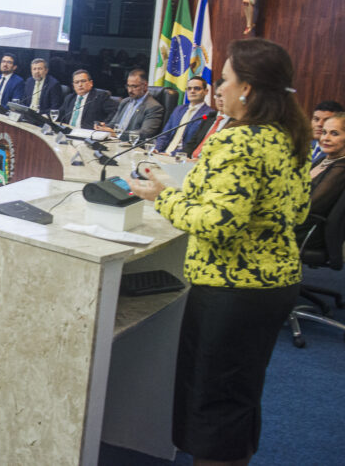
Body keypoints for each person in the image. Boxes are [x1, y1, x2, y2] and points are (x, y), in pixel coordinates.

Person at [127, 38, 310, 466]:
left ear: (247, 87)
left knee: (213, 406)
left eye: (224, 80)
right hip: (274, 284)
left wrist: (160, 199)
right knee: (238, 396)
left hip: (232, 289)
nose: (217, 89)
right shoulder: (288, 135)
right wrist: (176, 185)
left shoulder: (238, 141)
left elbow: (218, 223)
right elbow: (294, 209)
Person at [297, 113, 345, 251]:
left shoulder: (341, 169)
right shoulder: (324, 160)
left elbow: (312, 205)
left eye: (334, 134)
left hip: (306, 229)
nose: (325, 138)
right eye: (324, 132)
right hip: (299, 220)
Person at [95, 68, 165, 140]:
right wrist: (103, 127)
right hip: (114, 141)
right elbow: (114, 123)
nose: (130, 90)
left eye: (134, 86)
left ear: (145, 86)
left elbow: (145, 133)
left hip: (133, 146)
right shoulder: (125, 102)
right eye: (128, 86)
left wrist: (117, 134)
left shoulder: (153, 107)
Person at [152, 77, 214, 154]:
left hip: (182, 157)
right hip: (163, 153)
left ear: (206, 91)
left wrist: (171, 154)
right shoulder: (179, 109)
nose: (192, 91)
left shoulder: (209, 115)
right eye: (189, 88)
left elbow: (195, 145)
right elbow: (165, 134)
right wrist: (156, 149)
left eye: (197, 88)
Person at [183, 79, 231, 159]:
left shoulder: (235, 123)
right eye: (218, 96)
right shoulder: (209, 117)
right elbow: (192, 143)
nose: (220, 100)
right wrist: (182, 157)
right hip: (189, 162)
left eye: (225, 96)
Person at [309, 100, 344, 165]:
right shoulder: (303, 146)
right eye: (316, 119)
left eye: (327, 120)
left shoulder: (338, 155)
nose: (319, 124)